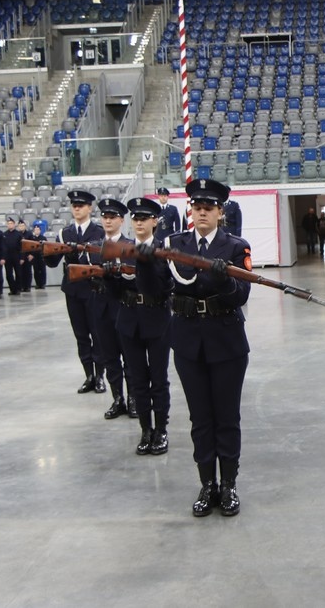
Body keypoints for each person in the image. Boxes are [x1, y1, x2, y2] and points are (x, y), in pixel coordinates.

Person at [158, 178, 252, 517]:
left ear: (219, 211)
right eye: (196, 207)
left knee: (226, 416)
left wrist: (223, 278)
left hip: (226, 341)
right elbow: (160, 288)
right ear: (190, 210)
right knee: (200, 418)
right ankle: (206, 484)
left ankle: (228, 485)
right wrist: (142, 262)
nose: (201, 213)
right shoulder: (174, 244)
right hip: (187, 342)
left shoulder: (235, 246)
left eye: (208, 208)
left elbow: (242, 295)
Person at [118, 197, 174, 456]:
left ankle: (161, 428)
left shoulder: (164, 251)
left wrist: (148, 262)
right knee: (138, 379)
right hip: (129, 319)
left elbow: (165, 287)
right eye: (135, 219)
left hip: (157, 318)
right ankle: (145, 429)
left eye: (144, 218)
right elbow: (113, 291)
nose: (139, 223)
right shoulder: (122, 250)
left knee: (159, 379)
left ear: (155, 221)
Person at [45, 190, 108, 394]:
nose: (77, 209)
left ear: (90, 208)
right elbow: (52, 261)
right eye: (74, 206)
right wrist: (45, 251)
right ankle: (88, 374)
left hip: (93, 288)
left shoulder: (99, 232)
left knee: (98, 334)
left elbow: (104, 259)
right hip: (73, 289)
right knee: (80, 335)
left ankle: (100, 375)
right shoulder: (65, 233)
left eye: (81, 205)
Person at [91, 198, 130, 419]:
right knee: (110, 357)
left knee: (130, 357)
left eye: (112, 217)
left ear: (121, 221)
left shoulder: (129, 246)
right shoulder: (94, 247)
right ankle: (118, 399)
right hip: (101, 306)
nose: (107, 221)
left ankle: (133, 397)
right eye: (104, 217)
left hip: (124, 306)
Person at [2, 217, 23, 295]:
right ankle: (12, 289)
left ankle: (18, 288)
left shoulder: (18, 234)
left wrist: (21, 257)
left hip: (16, 256)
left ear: (14, 225)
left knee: (18, 273)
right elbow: (3, 247)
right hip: (7, 257)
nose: (10, 225)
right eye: (8, 224)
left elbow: (21, 247)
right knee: (9, 274)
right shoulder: (4, 234)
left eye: (11, 223)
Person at [27, 223, 48, 289]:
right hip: (34, 256)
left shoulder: (43, 238)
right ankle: (38, 284)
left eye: (38, 229)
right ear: (34, 231)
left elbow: (46, 247)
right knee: (36, 270)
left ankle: (43, 283)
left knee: (43, 270)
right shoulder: (32, 238)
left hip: (41, 256)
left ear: (40, 230)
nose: (37, 231)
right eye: (35, 230)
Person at [16, 220, 34, 293]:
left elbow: (32, 245)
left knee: (27, 272)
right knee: (20, 272)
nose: (21, 227)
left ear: (25, 226)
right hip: (19, 256)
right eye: (20, 226)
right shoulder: (17, 234)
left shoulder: (29, 234)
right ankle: (21, 286)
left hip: (27, 255)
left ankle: (27, 286)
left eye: (22, 225)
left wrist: (31, 254)